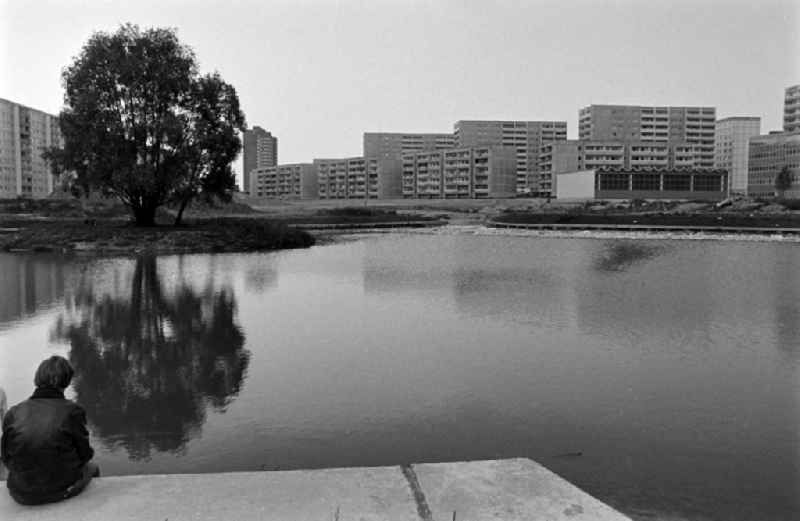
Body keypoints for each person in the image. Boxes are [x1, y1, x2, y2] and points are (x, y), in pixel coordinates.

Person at [1, 356, 100, 505]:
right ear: (67, 381)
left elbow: (7, 458)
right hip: (59, 489)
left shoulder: (14, 412)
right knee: (93, 468)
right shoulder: (73, 411)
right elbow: (85, 454)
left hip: (20, 492)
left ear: (37, 378)